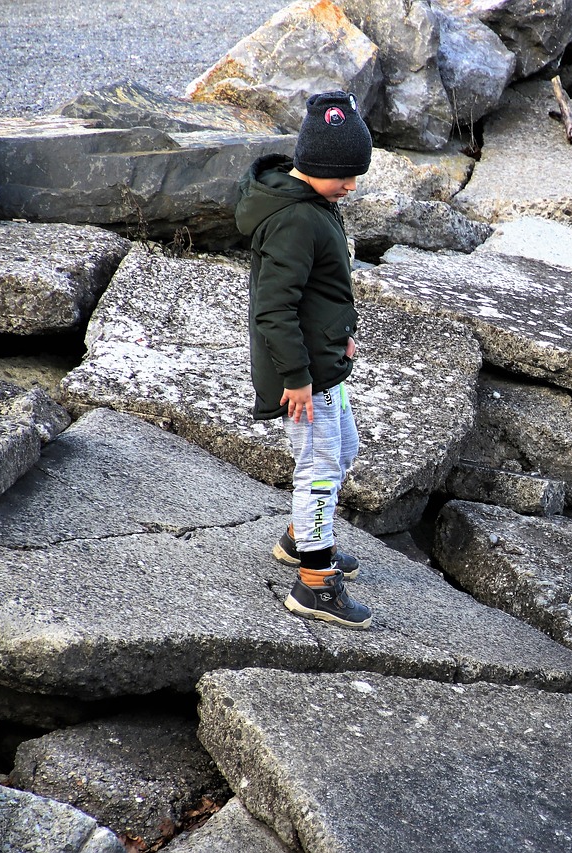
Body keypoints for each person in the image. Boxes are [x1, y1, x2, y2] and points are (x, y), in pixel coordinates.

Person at [235, 90, 373, 629]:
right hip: (302, 376)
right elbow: (273, 309)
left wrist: (341, 336)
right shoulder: (295, 219)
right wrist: (294, 377)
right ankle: (314, 582)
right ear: (314, 166)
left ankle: (300, 539)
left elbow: (324, 290)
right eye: (345, 175)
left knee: (345, 448)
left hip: (322, 362)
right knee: (318, 467)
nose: (352, 185)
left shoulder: (317, 204)